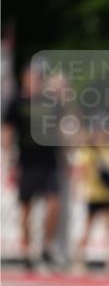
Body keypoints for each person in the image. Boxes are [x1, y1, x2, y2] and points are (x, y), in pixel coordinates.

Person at [3, 63, 63, 270]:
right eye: (32, 77)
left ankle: (46, 248)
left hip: (49, 160)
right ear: (25, 78)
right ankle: (26, 251)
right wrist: (9, 160)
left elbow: (62, 127)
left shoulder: (51, 101)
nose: (35, 81)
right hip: (26, 162)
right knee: (25, 208)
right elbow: (8, 131)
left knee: (54, 204)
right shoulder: (16, 102)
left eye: (39, 77)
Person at [73, 125, 109, 272]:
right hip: (92, 194)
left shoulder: (107, 150)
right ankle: (79, 260)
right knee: (88, 228)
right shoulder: (89, 152)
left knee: (107, 228)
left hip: (105, 194)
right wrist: (79, 188)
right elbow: (81, 172)